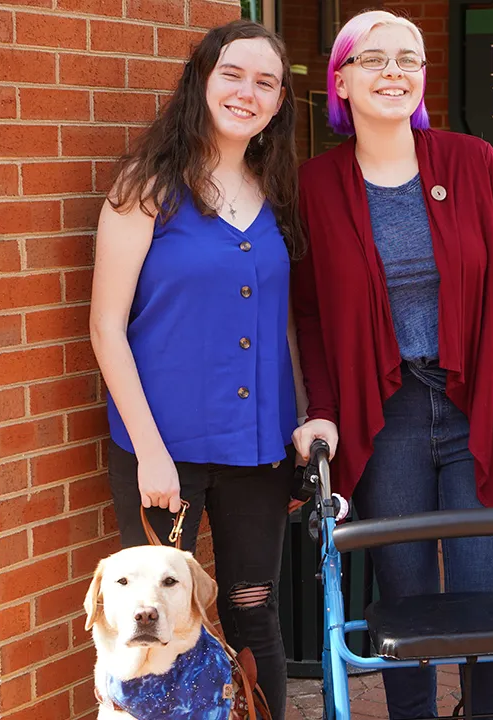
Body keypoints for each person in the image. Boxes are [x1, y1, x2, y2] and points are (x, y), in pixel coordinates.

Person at [289, 10, 493, 719]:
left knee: (485, 610)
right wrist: (326, 411)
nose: (394, 72)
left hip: (478, 404)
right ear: (341, 79)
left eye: (409, 59)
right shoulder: (315, 184)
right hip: (385, 414)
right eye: (374, 60)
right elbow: (309, 313)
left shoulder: (474, 162)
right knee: (407, 609)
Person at [89, 19, 302, 720]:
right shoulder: (146, 184)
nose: (248, 92)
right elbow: (107, 328)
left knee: (253, 614)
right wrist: (151, 452)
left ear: (278, 103)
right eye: (232, 74)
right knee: (151, 624)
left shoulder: (277, 191)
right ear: (202, 82)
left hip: (257, 450)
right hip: (162, 450)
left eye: (265, 82)